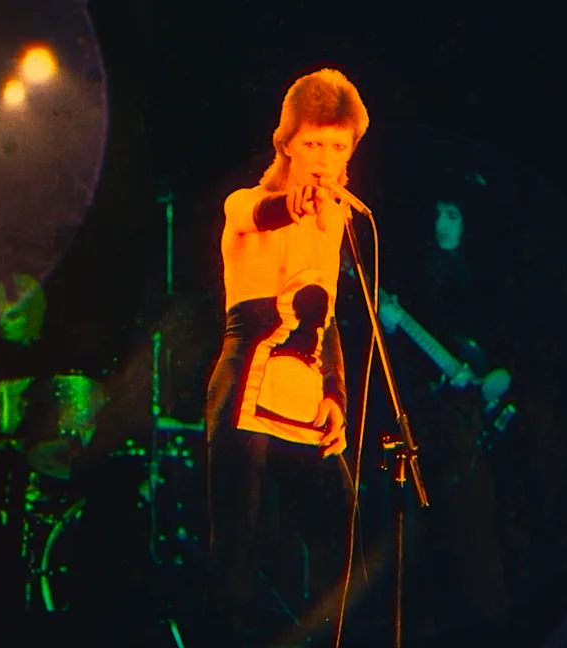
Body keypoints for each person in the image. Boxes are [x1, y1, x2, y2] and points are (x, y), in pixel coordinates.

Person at [202, 68, 367, 647]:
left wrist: (336, 395)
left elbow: (329, 318)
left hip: (306, 397)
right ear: (288, 143)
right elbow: (261, 214)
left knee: (340, 536)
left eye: (338, 147)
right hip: (247, 390)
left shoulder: (337, 221)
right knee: (238, 554)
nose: (325, 158)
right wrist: (293, 205)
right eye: (314, 143)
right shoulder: (246, 203)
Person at [376, 192, 513, 638]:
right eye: (437, 214)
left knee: (478, 522)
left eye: (452, 215)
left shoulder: (487, 277)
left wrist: (502, 374)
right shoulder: (419, 271)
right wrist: (390, 327)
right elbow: (406, 353)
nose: (442, 224)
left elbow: (510, 339)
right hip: (435, 418)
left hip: (477, 419)